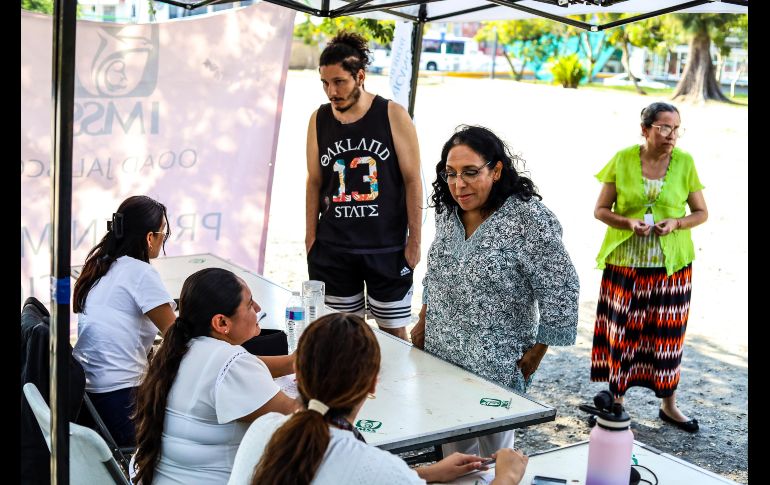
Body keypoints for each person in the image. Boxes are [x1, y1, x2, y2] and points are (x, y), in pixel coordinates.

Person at [411, 125, 579, 457]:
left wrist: (538, 351)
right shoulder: (448, 209)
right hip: (444, 349)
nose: (459, 184)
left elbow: (560, 285)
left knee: (495, 455)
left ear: (497, 170)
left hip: (498, 361)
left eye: (471, 172)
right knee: (453, 450)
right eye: (451, 173)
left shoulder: (529, 219)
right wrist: (424, 318)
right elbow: (438, 267)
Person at [227, 313, 530, 485]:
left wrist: (426, 473)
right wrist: (506, 477)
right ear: (372, 384)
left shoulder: (264, 430)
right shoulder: (378, 469)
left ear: (298, 376)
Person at [590, 102, 707, 433]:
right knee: (622, 335)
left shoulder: (685, 162)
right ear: (645, 129)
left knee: (667, 338)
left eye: (676, 128)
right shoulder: (623, 159)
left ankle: (669, 406)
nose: (672, 135)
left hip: (672, 269)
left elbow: (701, 212)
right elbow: (601, 209)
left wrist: (677, 223)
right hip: (626, 265)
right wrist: (628, 222)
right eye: (664, 127)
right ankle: (616, 403)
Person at [131, 268, 299, 484]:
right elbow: (298, 415)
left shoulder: (180, 349)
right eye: (249, 304)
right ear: (221, 323)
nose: (258, 308)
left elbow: (247, 366)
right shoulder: (231, 363)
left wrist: (293, 362)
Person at [305, 31, 422, 341]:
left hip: (386, 247)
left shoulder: (392, 114)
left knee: (394, 333)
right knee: (340, 334)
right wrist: (311, 238)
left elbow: (413, 180)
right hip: (334, 248)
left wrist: (414, 241)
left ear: (360, 76)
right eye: (325, 83)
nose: (332, 91)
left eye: (339, 82)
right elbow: (314, 181)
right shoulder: (319, 119)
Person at [72, 195, 177, 446]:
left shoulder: (99, 265)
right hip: (121, 404)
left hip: (87, 401)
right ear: (150, 237)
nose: (163, 240)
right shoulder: (141, 273)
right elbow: (176, 334)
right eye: (163, 233)